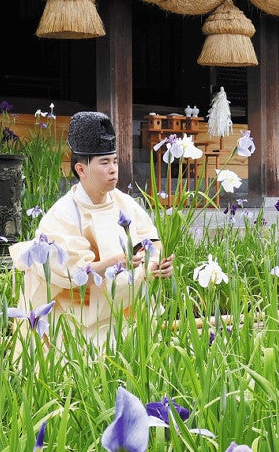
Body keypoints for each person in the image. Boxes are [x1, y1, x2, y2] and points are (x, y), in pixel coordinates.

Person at [10, 111, 174, 344]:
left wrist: (156, 265)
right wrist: (117, 262)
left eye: (115, 161)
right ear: (81, 169)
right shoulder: (62, 214)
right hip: (79, 317)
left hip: (127, 309)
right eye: (104, 163)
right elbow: (73, 274)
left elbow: (151, 242)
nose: (113, 169)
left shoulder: (124, 202)